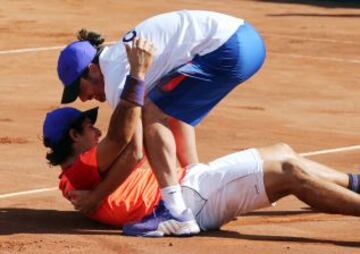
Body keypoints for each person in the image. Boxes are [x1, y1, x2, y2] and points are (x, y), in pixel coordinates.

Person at [55, 10, 266, 233]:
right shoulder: (117, 59)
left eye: (80, 89)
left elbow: (134, 153)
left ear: (92, 69)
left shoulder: (116, 80)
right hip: (247, 39)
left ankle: (175, 211)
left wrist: (96, 198)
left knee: (151, 114)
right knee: (165, 109)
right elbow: (175, 118)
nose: (83, 98)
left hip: (228, 49)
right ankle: (197, 186)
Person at [43, 104, 360, 237]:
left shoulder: (78, 174)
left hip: (190, 187)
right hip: (191, 198)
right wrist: (137, 80)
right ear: (74, 137)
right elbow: (127, 134)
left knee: (282, 152)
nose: (97, 134)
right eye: (90, 129)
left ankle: (355, 182)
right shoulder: (82, 169)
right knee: (290, 172)